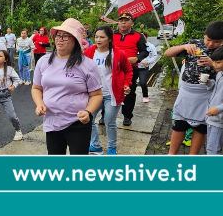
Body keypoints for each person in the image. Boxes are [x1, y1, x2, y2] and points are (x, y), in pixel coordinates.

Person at [32, 18, 103, 155]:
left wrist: (88, 112)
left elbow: (96, 94)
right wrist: (39, 104)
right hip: (52, 121)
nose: (60, 39)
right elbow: (36, 88)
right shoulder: (44, 61)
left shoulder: (87, 64)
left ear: (76, 40)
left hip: (77, 122)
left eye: (66, 36)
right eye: (58, 35)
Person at [164, 21, 223, 155]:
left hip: (207, 93)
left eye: (216, 42)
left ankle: (192, 158)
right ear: (204, 35)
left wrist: (212, 64)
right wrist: (184, 46)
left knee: (201, 127)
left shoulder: (221, 52)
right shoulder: (194, 44)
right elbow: (167, 53)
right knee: (179, 124)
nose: (210, 44)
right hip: (187, 92)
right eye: (208, 39)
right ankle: (171, 155)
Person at [84, 26, 133, 155]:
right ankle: (95, 146)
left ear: (110, 39)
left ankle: (112, 147)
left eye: (102, 37)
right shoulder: (89, 52)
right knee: (88, 119)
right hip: (94, 95)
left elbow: (128, 70)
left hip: (112, 95)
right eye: (96, 37)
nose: (98, 40)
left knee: (109, 122)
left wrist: (126, 84)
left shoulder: (119, 54)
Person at [113, 13, 148, 126]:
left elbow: (145, 51)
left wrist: (137, 58)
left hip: (131, 68)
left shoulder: (138, 36)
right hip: (112, 68)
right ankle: (105, 116)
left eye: (126, 20)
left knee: (129, 92)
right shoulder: (111, 35)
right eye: (121, 20)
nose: (123, 22)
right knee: (108, 90)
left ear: (132, 23)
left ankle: (127, 116)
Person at [204, 46, 223, 155]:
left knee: (213, 150)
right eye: (214, 62)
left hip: (219, 120)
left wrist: (218, 109)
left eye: (218, 62)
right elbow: (217, 89)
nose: (214, 65)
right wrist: (209, 83)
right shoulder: (220, 73)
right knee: (211, 147)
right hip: (212, 118)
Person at [139, 31, 158, 103]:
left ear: (146, 38)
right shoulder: (134, 45)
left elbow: (155, 56)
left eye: (143, 37)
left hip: (143, 68)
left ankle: (145, 96)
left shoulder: (150, 46)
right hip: (134, 67)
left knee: (143, 83)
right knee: (130, 83)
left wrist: (148, 61)